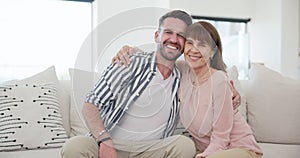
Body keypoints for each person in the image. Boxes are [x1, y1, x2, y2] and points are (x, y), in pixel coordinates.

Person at [115, 21, 263, 158]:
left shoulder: (218, 80)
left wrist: (206, 155)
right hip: (205, 150)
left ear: (212, 52)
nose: (194, 50)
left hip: (238, 149)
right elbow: (158, 60)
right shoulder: (182, 70)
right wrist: (131, 50)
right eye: (190, 43)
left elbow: (221, 137)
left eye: (202, 45)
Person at [61, 10, 197, 158]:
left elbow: (211, 62)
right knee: (74, 146)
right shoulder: (129, 61)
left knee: (184, 145)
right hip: (110, 143)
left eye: (180, 35)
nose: (174, 39)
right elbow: (90, 104)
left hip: (150, 150)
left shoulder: (184, 74)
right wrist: (105, 141)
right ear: (157, 36)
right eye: (168, 32)